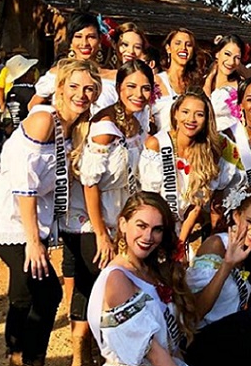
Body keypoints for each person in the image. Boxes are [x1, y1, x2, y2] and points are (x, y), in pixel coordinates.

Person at [0, 58, 101, 366]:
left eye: (89, 89)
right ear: (60, 88)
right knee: (48, 292)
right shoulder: (44, 120)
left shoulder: (76, 128)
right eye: (74, 86)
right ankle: (33, 359)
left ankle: (16, 355)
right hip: (9, 216)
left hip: (31, 217)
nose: (81, 94)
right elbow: (25, 185)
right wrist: (34, 241)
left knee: (24, 292)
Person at [59, 60, 151, 365]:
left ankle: (94, 356)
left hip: (122, 218)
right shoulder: (105, 127)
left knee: (98, 288)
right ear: (119, 89)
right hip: (94, 221)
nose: (139, 94)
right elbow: (89, 182)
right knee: (104, 288)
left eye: (145, 87)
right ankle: (85, 356)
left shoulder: (140, 121)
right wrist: (101, 234)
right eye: (131, 87)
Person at [87, 191, 198, 366]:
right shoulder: (117, 279)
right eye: (141, 226)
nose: (147, 237)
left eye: (157, 229)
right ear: (123, 224)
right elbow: (153, 354)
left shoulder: (152, 270)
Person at [185, 188, 251, 366]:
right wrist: (227, 265)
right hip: (201, 339)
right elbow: (196, 312)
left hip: (230, 338)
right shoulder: (216, 245)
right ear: (237, 216)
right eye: (250, 222)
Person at [140, 87, 222, 251]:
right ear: (175, 113)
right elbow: (149, 199)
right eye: (185, 112)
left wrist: (180, 242)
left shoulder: (207, 152)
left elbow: (196, 206)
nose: (191, 119)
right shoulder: (157, 145)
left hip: (185, 227)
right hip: (154, 226)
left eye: (199, 114)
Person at [29, 13, 117, 115]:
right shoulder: (58, 73)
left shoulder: (113, 77)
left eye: (91, 37)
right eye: (78, 37)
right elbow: (33, 105)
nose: (84, 43)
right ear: (70, 41)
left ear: (100, 40)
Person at [153, 28, 202, 132]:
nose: (183, 48)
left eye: (188, 45)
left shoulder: (196, 85)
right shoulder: (156, 81)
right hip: (163, 145)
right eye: (178, 43)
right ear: (168, 48)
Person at [206, 35, 245, 131]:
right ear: (217, 53)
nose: (231, 62)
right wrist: (209, 78)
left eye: (237, 58)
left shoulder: (241, 86)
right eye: (227, 54)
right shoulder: (200, 80)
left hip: (231, 140)